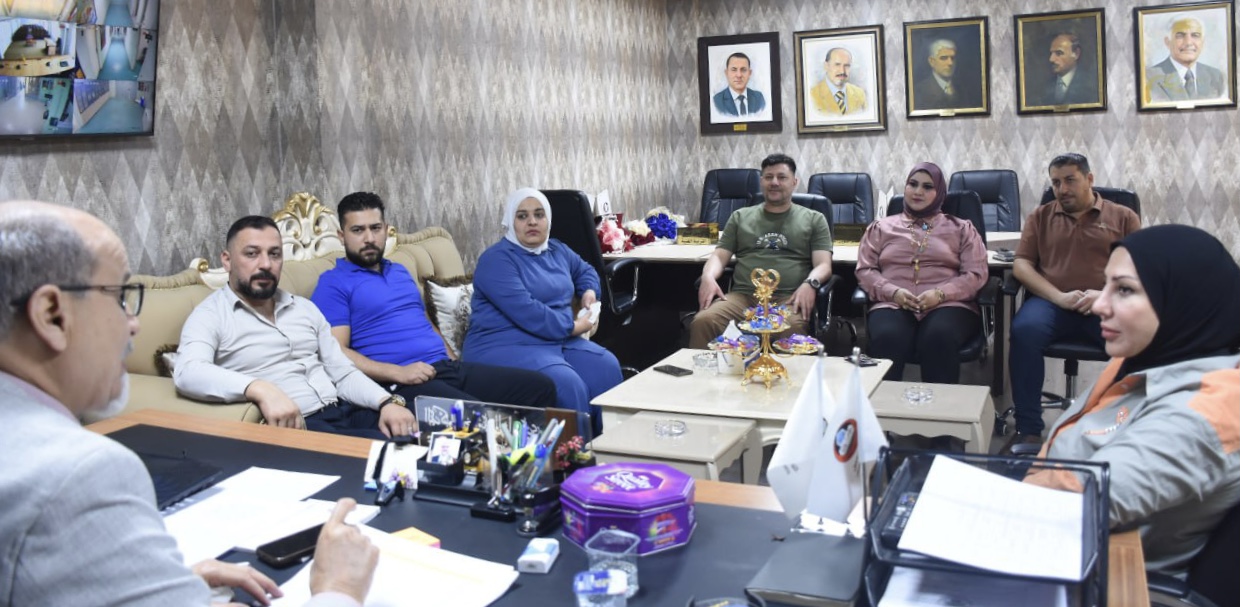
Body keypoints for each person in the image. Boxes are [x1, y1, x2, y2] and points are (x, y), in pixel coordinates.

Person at [0, 201, 377, 606]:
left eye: (273, 253)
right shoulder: (85, 473)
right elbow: (190, 370)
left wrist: (176, 583)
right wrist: (338, 588)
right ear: (52, 315)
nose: (133, 323)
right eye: (119, 298)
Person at [1026, 225, 1240, 578]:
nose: (1100, 304)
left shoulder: (1205, 415)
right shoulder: (1148, 359)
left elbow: (1072, 503)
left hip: (1101, 579)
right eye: (1106, 285)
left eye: (1124, 290)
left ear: (1182, 299)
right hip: (1054, 540)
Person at [311, 192, 557, 411]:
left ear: (385, 229)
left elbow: (426, 323)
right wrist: (399, 373)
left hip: (443, 368)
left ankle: (529, 449)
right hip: (400, 382)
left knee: (540, 387)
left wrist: (453, 361)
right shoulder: (333, 283)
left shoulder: (399, 271)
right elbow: (336, 351)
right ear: (342, 236)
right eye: (358, 230)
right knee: (475, 415)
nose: (369, 238)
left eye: (375, 228)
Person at [175, 216, 414, 440]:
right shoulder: (210, 315)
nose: (265, 264)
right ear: (227, 260)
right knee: (394, 456)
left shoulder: (304, 308)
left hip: (344, 410)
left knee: (422, 434)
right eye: (252, 254)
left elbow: (342, 372)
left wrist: (386, 403)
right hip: (300, 426)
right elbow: (188, 372)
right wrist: (260, 388)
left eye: (274, 254)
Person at [1004, 153, 1141, 454]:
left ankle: (1121, 425)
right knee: (1024, 332)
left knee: (1136, 341)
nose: (1062, 189)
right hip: (1052, 302)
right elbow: (1022, 265)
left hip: (1105, 303)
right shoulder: (1040, 217)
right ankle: (1028, 429)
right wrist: (1059, 296)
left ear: (1089, 179)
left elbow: (1140, 268)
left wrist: (1104, 296)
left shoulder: (1123, 217)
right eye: (1055, 183)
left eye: (1070, 180)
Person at [462, 188, 623, 437]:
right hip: (504, 344)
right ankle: (575, 457)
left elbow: (586, 271)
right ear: (510, 221)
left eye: (539, 214)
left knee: (606, 366)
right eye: (522, 216)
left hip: (552, 341)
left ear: (548, 219)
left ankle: (610, 448)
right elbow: (528, 311)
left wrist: (589, 292)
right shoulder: (496, 260)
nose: (532, 222)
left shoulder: (557, 250)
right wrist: (573, 327)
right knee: (567, 384)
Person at [855, 162, 987, 383]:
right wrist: (892, 292)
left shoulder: (960, 228)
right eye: (913, 184)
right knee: (888, 337)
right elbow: (865, 270)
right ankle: (884, 403)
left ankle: (938, 405)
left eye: (927, 187)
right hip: (893, 303)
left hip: (948, 304)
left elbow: (976, 274)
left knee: (938, 336)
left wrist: (941, 294)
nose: (918, 191)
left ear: (939, 192)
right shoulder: (881, 228)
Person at [691, 153, 834, 348]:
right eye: (768, 177)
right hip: (743, 297)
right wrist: (708, 276)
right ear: (761, 181)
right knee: (704, 321)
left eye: (781, 177)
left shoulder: (814, 219)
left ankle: (786, 369)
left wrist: (810, 283)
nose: (774, 182)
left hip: (789, 297)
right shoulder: (740, 216)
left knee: (792, 329)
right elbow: (719, 256)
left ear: (794, 182)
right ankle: (705, 369)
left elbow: (824, 265)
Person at [1145, 15, 1226, 102]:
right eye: (1180, 36)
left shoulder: (1216, 76)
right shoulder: (1149, 77)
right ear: (1167, 42)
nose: (1188, 42)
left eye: (1195, 35)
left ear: (1202, 42)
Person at [1034, 32, 1099, 106]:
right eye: (1051, 53)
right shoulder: (1044, 87)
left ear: (1076, 54)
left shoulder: (1091, 85)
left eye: (1059, 53)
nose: (1051, 59)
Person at [912, 39, 978, 110]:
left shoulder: (962, 89)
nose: (950, 63)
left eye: (952, 58)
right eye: (944, 58)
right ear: (932, 61)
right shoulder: (919, 91)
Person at [810, 48, 867, 115]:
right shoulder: (812, 95)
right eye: (837, 65)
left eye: (847, 66)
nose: (842, 71)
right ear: (826, 66)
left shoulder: (859, 94)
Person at [712, 52, 767, 117]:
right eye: (734, 70)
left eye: (743, 70)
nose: (739, 75)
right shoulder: (717, 101)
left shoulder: (759, 98)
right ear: (726, 73)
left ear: (749, 73)